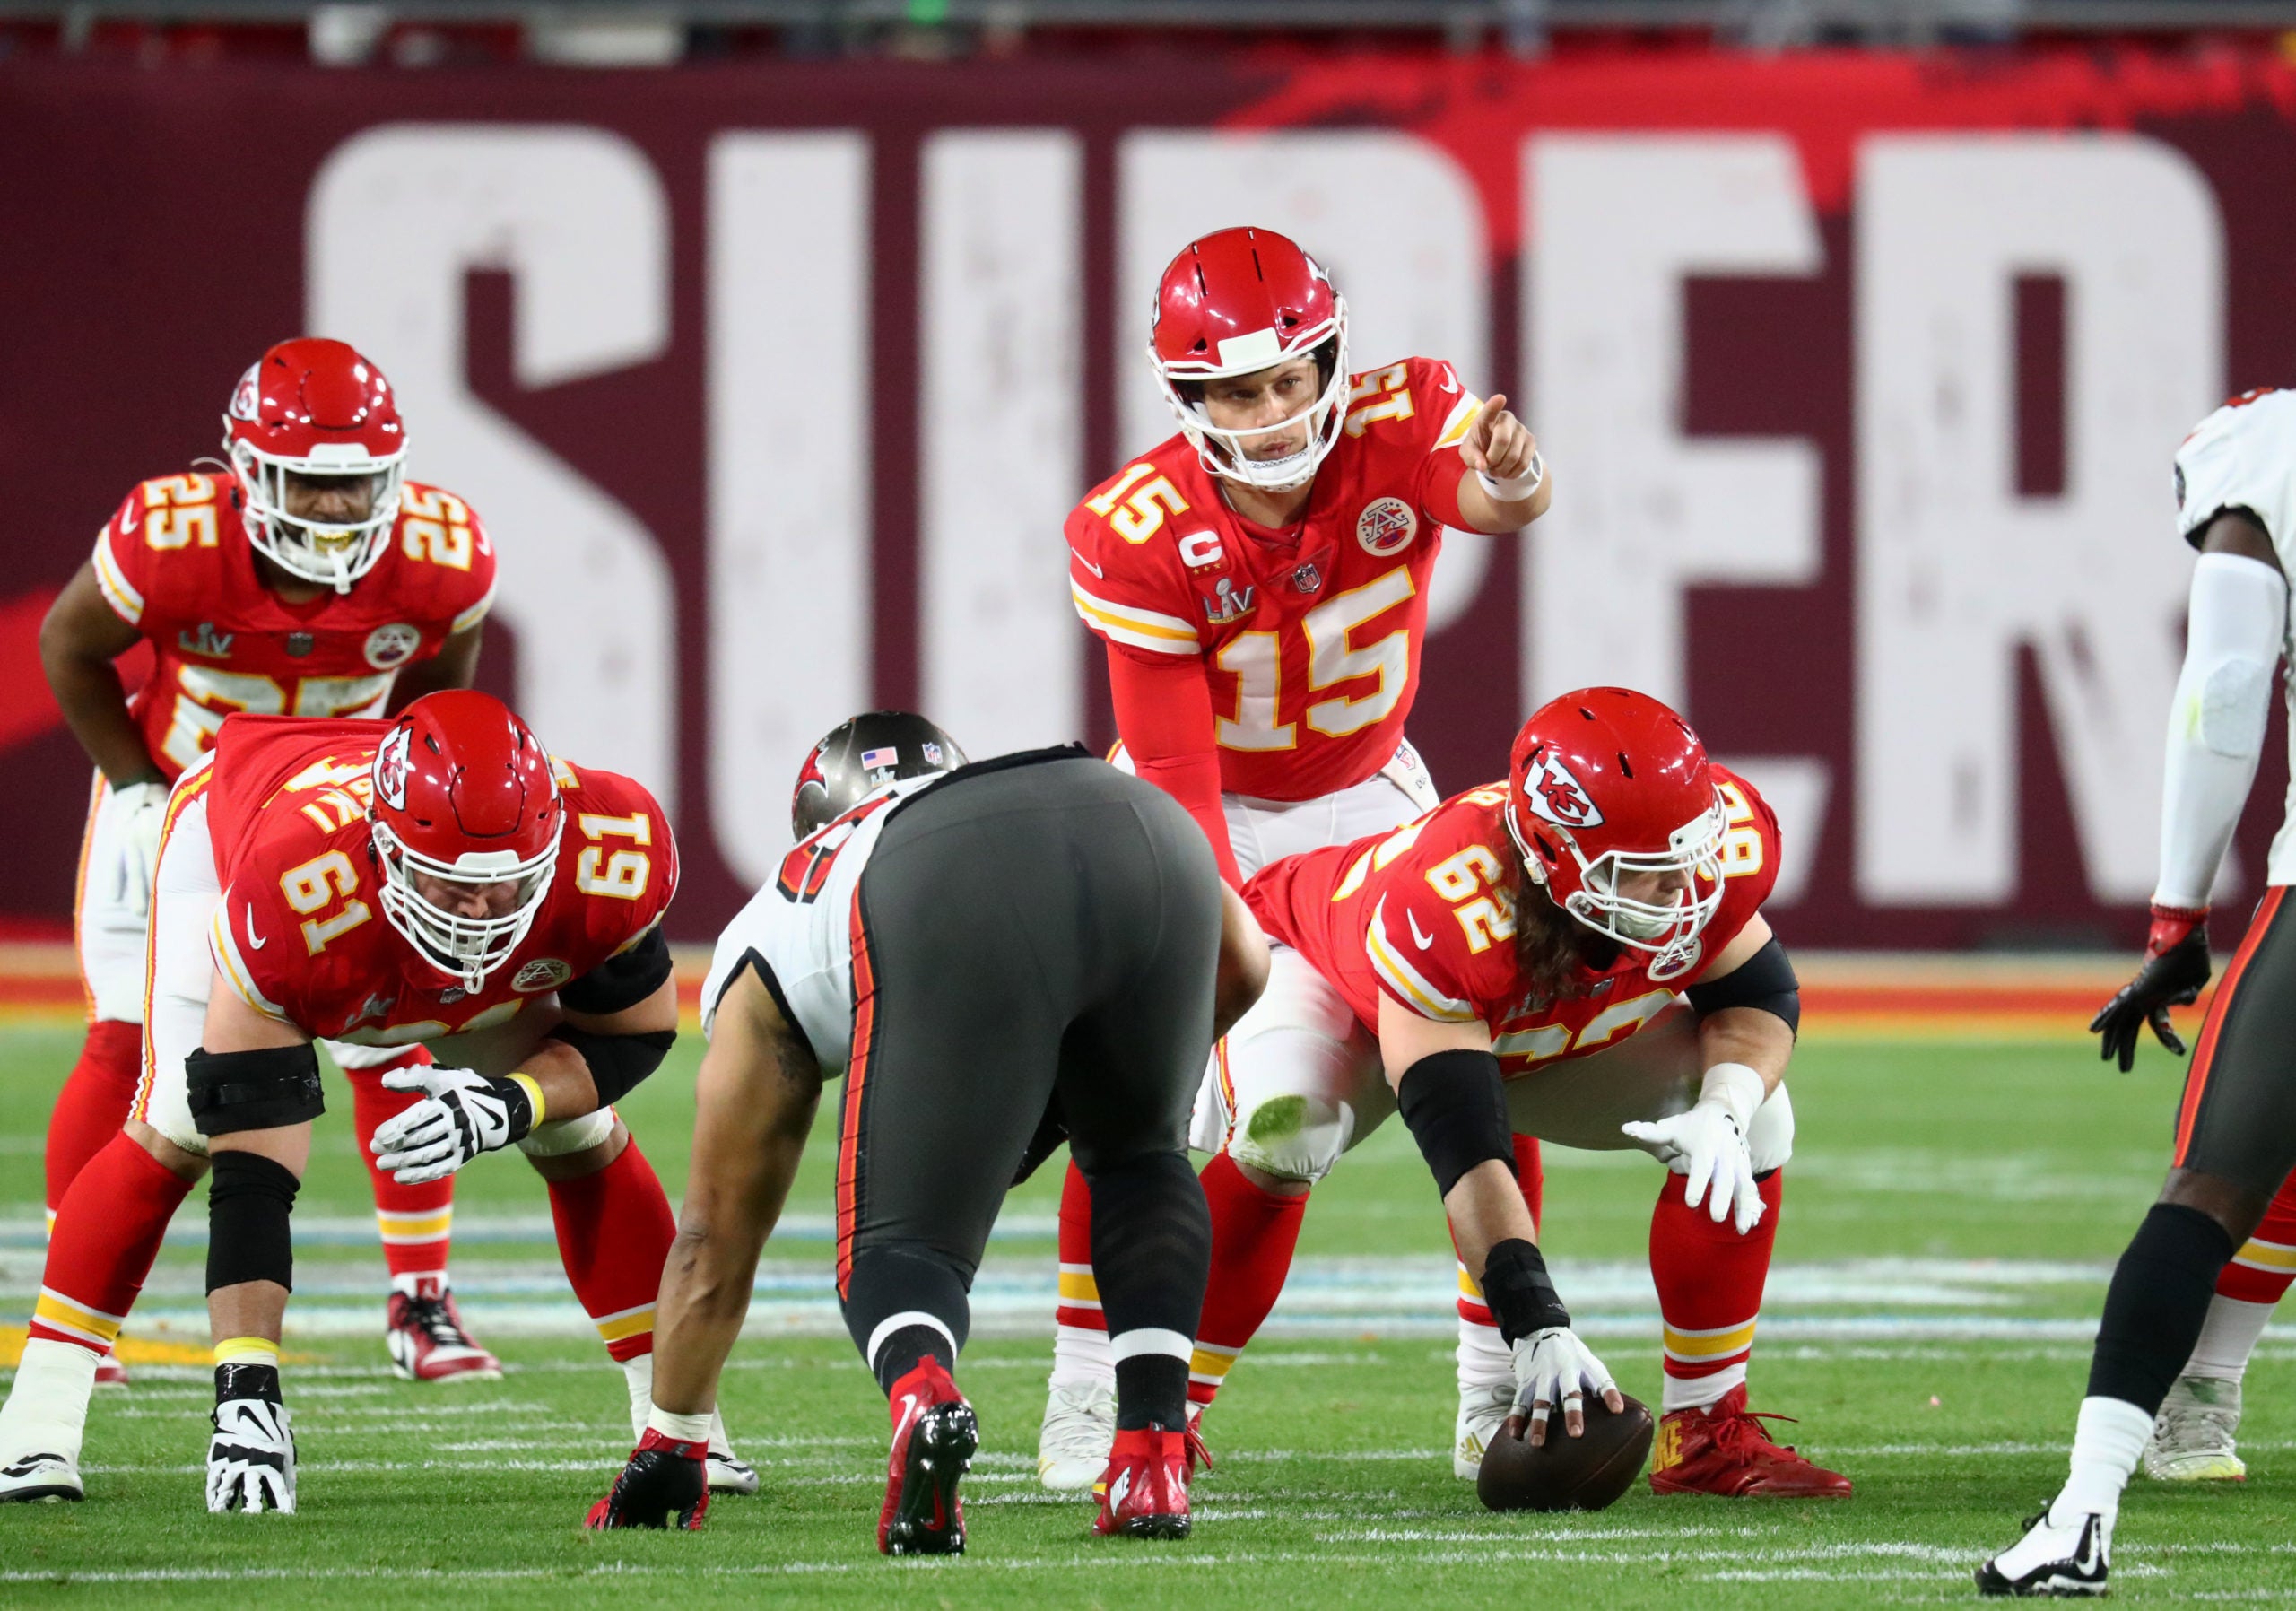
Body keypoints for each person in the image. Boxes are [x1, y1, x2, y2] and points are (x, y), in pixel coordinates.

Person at [1044, 223, 1554, 1486]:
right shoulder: (1138, 527)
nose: (1274, 414)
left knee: (1475, 1047)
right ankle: (1088, 1389)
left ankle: (1495, 1393)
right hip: (1200, 817)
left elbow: (1488, 501)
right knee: (1154, 1100)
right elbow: (1176, 771)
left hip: (1372, 797)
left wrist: (1519, 478)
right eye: (1237, 389)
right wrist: (1216, 953)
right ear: (1187, 397)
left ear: (1331, 360)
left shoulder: (1405, 416)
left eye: (1291, 379)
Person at [0, 692, 751, 1509]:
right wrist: (245, 1390)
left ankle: (678, 1422)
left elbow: (633, 1034)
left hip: (373, 901)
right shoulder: (293, 886)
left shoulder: (612, 846)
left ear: (552, 846)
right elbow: (254, 1161)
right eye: (450, 887)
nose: (478, 916)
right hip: (245, 843)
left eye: (507, 888)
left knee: (578, 1129)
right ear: (385, 849)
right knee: (177, 1127)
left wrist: (511, 1102)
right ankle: (38, 1422)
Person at [586, 714, 1268, 1550]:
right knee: (1141, 1160)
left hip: (938, 879)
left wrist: (673, 1439)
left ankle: (923, 1391)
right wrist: (1073, 1112)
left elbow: (711, 1234)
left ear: (813, 818)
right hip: (1141, 821)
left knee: (896, 1246)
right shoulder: (997, 796)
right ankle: (1152, 1459)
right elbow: (1246, 960)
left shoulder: (776, 916)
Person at [1206, 687, 1852, 1495]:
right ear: (1557, 859)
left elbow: (1758, 996)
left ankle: (1704, 1432)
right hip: (1332, 973)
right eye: (1649, 876)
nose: (1686, 892)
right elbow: (1469, 1152)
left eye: (1688, 861)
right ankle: (1163, 1417)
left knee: (1758, 1120)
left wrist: (1725, 1107)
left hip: (1507, 1012)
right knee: (1289, 1133)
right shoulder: (1451, 907)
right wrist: (1536, 1322)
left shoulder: (1696, 857)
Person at [36, 337, 499, 1386]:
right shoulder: (172, 535)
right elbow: (68, 646)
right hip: (177, 803)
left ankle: (420, 1299)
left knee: (391, 1045)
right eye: (312, 485)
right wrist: (140, 786)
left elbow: (434, 698)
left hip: (337, 816)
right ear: (246, 471)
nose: (337, 512)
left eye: (356, 488)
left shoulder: (439, 553)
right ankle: (79, 1315)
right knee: (128, 1048)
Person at [1981, 386, 2296, 1594]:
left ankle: (2085, 1511)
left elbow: (2225, 689)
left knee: (2206, 1192)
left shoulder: (2264, 448)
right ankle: (2204, 1389)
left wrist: (2179, 914)